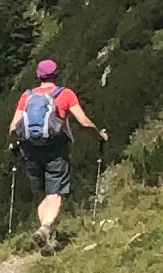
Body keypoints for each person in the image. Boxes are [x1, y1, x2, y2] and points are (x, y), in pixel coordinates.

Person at [10, 57, 99, 249]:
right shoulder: (65, 94)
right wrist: (99, 133)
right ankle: (45, 228)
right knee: (55, 192)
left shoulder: (27, 96)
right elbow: (83, 121)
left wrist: (14, 145)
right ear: (56, 74)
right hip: (56, 149)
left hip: (30, 149)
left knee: (42, 194)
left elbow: (13, 126)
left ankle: (47, 236)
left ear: (38, 76)